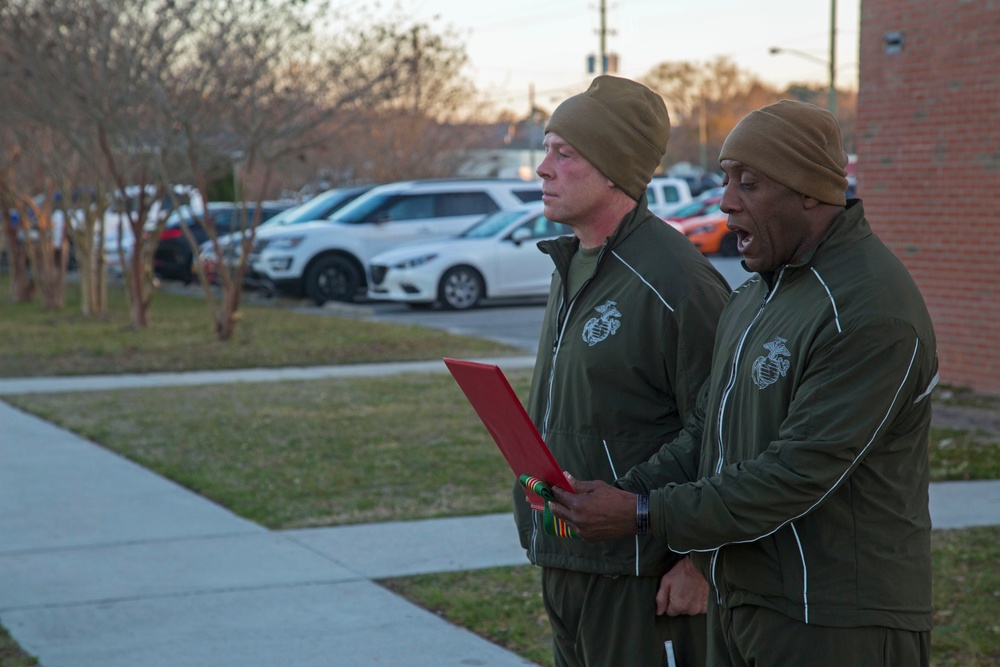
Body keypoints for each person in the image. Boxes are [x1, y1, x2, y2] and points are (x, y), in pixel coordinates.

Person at [547, 100, 939, 667]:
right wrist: (620, 490)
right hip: (742, 602)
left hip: (834, 618)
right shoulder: (758, 293)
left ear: (808, 190)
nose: (727, 201)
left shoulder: (870, 310)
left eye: (748, 183)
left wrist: (641, 513)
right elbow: (708, 431)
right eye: (727, 179)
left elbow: (795, 474)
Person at [516, 75, 732, 667]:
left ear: (613, 170)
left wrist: (699, 561)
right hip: (569, 558)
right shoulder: (571, 264)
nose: (543, 169)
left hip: (645, 575)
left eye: (565, 153)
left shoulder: (678, 280)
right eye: (545, 149)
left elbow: (725, 429)